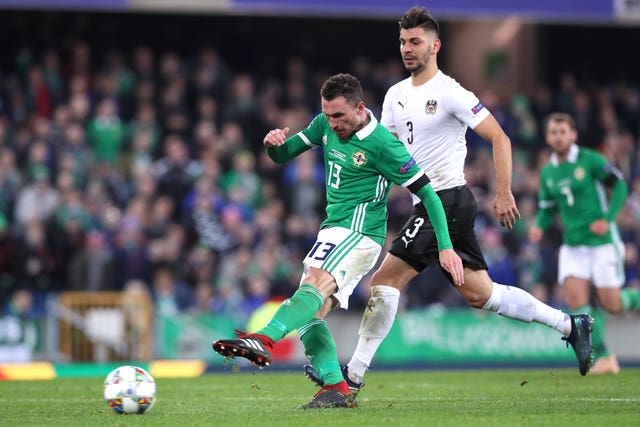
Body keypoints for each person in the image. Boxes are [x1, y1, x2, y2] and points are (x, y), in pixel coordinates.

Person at [303, 6, 594, 393]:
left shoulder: (450, 92)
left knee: (386, 279)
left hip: (448, 198)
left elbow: (500, 138)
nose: (407, 48)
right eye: (403, 41)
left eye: (416, 41)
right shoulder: (394, 96)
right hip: (428, 203)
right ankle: (571, 325)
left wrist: (503, 190)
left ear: (435, 46)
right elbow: (381, 154)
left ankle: (353, 376)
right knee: (481, 294)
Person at [212, 73, 464, 409]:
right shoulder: (324, 124)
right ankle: (336, 387)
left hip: (360, 233)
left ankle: (263, 339)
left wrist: (445, 246)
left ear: (360, 108)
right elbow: (285, 155)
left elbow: (429, 194)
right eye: (327, 115)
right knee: (310, 312)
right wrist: (273, 146)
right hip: (332, 230)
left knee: (314, 285)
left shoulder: (383, 145)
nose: (331, 123)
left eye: (339, 116)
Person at [529, 112, 640, 374]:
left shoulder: (590, 160)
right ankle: (605, 358)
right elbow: (547, 209)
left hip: (601, 242)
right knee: (577, 304)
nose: (558, 137)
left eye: (562, 132)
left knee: (612, 304)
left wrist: (608, 218)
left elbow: (620, 186)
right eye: (553, 132)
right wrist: (538, 227)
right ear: (547, 137)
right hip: (572, 245)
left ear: (573, 135)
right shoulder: (547, 173)